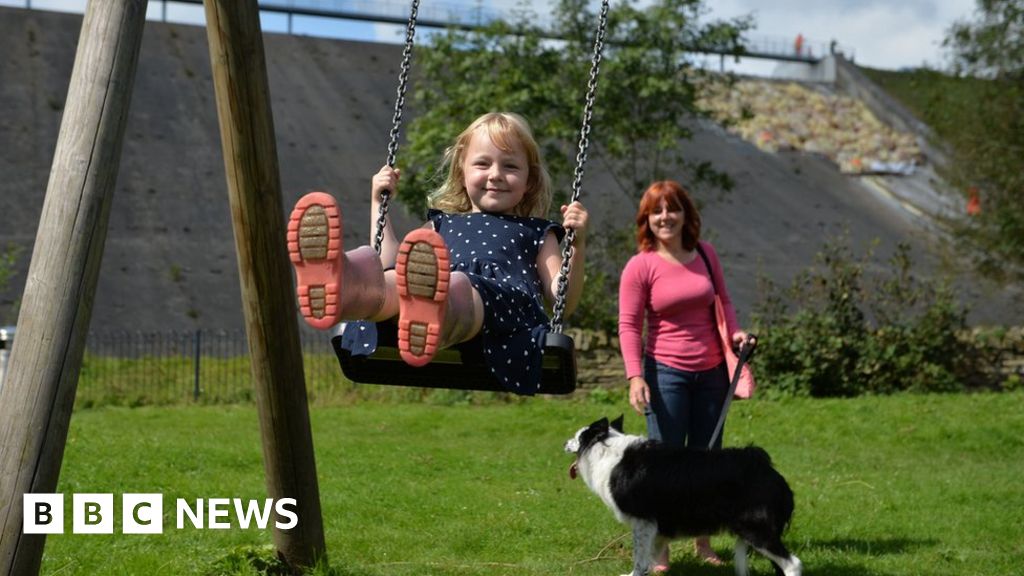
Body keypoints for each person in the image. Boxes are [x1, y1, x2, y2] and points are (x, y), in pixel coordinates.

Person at [288, 112, 588, 394]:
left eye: (510, 166)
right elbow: (391, 264)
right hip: (437, 290)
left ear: (529, 181)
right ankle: (345, 286)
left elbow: (561, 296)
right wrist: (379, 205)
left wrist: (577, 244)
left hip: (500, 311)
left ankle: (429, 312)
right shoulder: (442, 223)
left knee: (454, 285)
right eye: (483, 164)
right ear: (462, 171)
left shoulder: (537, 230)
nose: (496, 175)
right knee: (391, 280)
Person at [617, 180, 754, 570]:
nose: (665, 217)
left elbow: (723, 302)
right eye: (656, 211)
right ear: (646, 219)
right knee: (664, 469)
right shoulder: (640, 265)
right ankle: (660, 551)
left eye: (672, 209)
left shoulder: (706, 255)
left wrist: (736, 333)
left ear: (685, 214)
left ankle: (704, 544)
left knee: (707, 462)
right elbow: (629, 325)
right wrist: (634, 377)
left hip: (712, 374)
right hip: (665, 375)